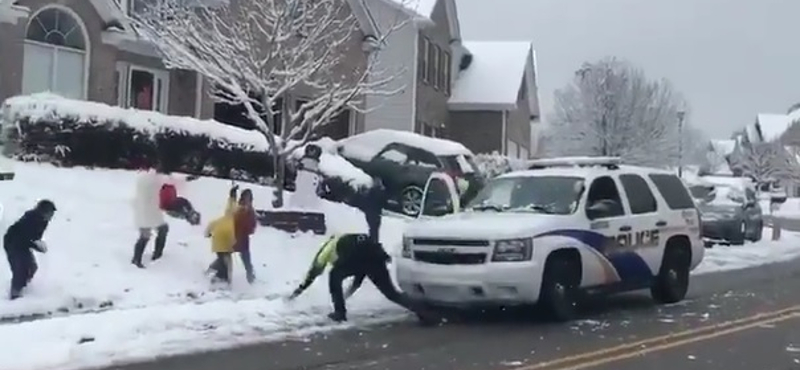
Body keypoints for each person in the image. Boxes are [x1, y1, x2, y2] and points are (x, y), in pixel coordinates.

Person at [286, 233, 435, 325]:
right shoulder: (348, 239)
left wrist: (298, 291)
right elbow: (360, 273)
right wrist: (349, 292)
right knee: (391, 294)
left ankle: (340, 313)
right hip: (376, 257)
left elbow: (313, 272)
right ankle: (423, 311)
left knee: (333, 276)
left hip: (362, 258)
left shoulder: (328, 249)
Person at [131, 160, 197, 268]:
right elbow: (172, 181)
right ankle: (151, 256)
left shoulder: (143, 177)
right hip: (150, 211)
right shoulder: (157, 179)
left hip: (142, 209)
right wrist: (188, 178)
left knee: (150, 233)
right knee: (153, 233)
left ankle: (139, 258)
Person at [4, 200, 56, 300]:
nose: (51, 216)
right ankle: (15, 294)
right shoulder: (31, 219)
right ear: (42, 211)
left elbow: (35, 237)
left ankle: (23, 288)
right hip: (12, 243)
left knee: (32, 267)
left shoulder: (43, 221)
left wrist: (39, 245)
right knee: (20, 268)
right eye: (50, 213)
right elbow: (25, 237)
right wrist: (37, 246)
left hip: (23, 244)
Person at [205, 186, 239, 285]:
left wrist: (232, 195)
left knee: (222, 260)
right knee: (226, 264)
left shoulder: (225, 218)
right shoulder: (234, 223)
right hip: (224, 245)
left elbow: (211, 225)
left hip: (217, 244)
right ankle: (220, 280)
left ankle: (212, 270)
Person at [234, 188, 257, 283]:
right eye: (246, 198)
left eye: (249, 198)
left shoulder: (250, 211)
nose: (247, 200)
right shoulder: (238, 209)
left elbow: (252, 226)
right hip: (234, 236)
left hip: (243, 239)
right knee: (224, 255)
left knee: (246, 259)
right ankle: (212, 271)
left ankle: (250, 278)